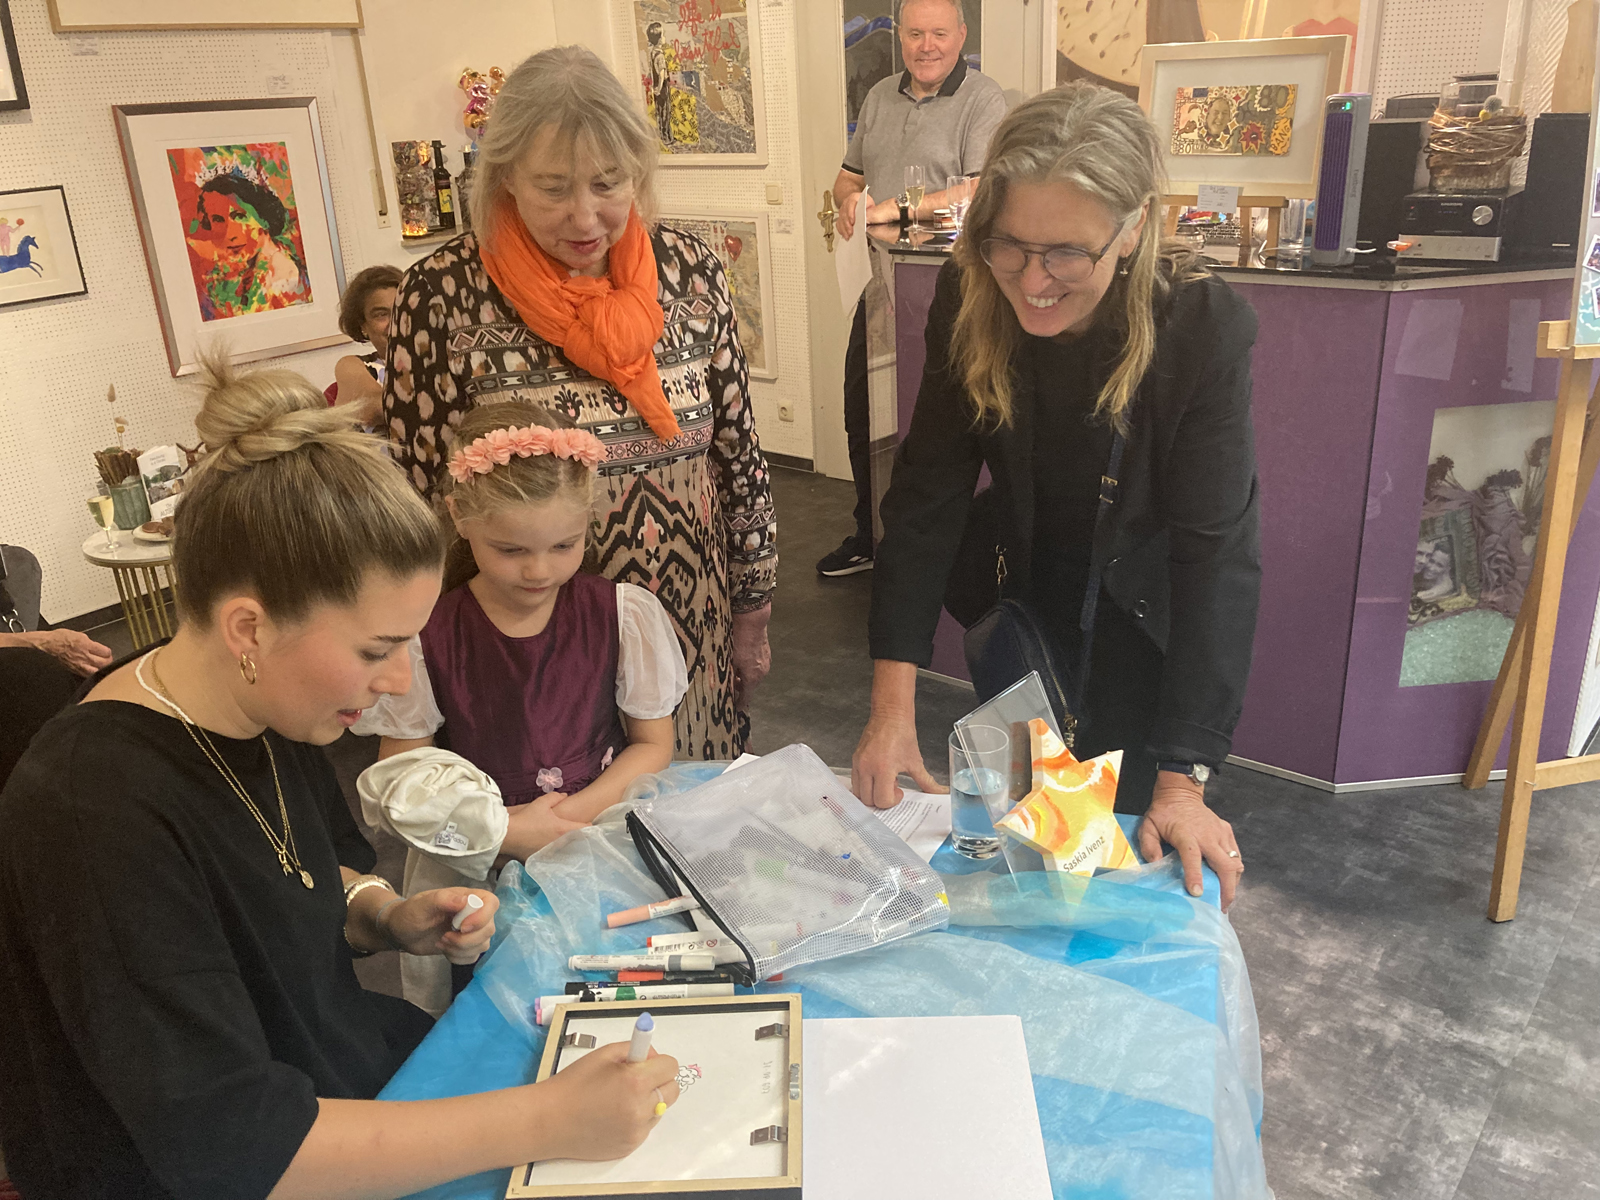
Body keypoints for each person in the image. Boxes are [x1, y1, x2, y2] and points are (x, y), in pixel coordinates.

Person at [0, 356, 680, 1200]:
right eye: (375, 649)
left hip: (340, 1078)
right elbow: (231, 1147)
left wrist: (384, 914)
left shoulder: (266, 706)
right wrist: (547, 1120)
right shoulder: (93, 813)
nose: (396, 683)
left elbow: (312, 876)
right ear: (248, 628)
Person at [853, 83, 1259, 910]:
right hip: (1025, 611)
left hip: (1141, 628)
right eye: (1009, 244)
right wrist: (890, 708)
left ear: (1132, 228)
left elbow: (1216, 553)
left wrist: (1182, 781)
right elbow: (927, 496)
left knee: (1115, 874)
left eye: (1067, 253)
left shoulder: (1200, 327)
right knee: (1035, 860)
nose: (1033, 281)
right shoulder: (973, 294)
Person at [384, 45, 776, 762]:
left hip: (688, 627)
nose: (585, 216)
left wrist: (752, 608)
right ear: (504, 176)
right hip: (524, 657)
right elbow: (420, 504)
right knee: (553, 819)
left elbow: (738, 458)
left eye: (607, 183)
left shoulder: (689, 272)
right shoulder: (441, 297)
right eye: (553, 188)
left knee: (685, 812)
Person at [357, 401, 689, 858]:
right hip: (485, 848)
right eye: (511, 550)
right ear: (459, 516)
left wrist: (561, 823)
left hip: (604, 829)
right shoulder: (426, 637)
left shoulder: (622, 613)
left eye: (563, 546)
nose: (539, 571)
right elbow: (403, 777)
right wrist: (505, 831)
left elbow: (652, 745)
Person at [818, 0, 1007, 578]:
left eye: (939, 33)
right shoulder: (878, 96)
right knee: (862, 414)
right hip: (877, 288)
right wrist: (850, 202)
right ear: (900, 36)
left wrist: (893, 210)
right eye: (916, 33)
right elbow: (847, 179)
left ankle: (935, 549)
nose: (927, 46)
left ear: (962, 35)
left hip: (952, 295)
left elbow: (977, 190)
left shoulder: (984, 99)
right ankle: (870, 535)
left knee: (937, 425)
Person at [184, 171, 311, 318]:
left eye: (240, 216)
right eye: (218, 220)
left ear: (263, 218)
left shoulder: (283, 278)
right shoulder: (233, 272)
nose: (229, 234)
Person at [333, 263, 403, 428]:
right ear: (363, 325)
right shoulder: (352, 366)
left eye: (402, 310)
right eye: (381, 315)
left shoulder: (443, 359)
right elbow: (378, 408)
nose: (395, 322)